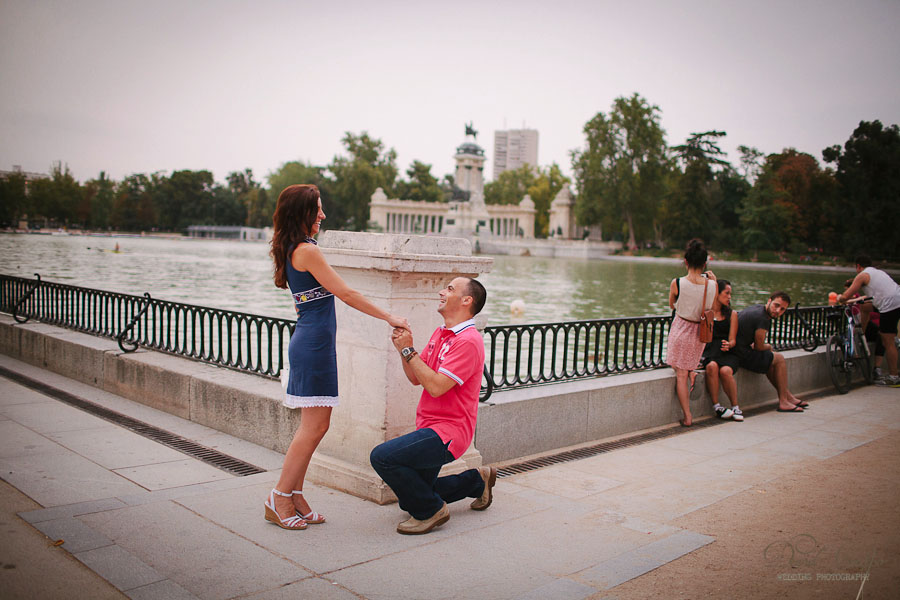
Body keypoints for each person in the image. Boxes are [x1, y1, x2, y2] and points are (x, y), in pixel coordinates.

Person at [264, 184, 410, 530]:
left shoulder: (298, 248)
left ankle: (295, 494)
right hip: (312, 345)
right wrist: (388, 316)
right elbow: (345, 292)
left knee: (318, 426)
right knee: (312, 428)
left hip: (313, 342)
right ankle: (279, 496)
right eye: (317, 209)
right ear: (303, 213)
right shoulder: (306, 251)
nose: (323, 215)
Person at [370, 276, 495, 535]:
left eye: (449, 289)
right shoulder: (441, 333)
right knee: (409, 499)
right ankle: (476, 481)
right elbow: (416, 377)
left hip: (450, 433)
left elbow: (437, 386)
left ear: (466, 300)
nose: (441, 291)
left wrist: (409, 351)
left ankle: (432, 512)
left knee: (382, 457)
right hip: (429, 425)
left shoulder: (468, 341)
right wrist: (404, 349)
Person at [666, 238, 717, 427]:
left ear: (685, 262)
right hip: (699, 333)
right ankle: (691, 372)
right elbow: (713, 307)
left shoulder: (677, 283)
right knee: (684, 367)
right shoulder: (712, 285)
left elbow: (672, 305)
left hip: (681, 328)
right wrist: (713, 282)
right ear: (705, 264)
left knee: (679, 372)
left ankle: (687, 416)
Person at [733, 291, 807, 412]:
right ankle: (784, 401)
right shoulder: (763, 319)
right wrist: (769, 346)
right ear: (769, 301)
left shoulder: (757, 308)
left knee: (770, 362)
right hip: (740, 353)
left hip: (737, 349)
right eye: (776, 305)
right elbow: (759, 347)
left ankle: (788, 397)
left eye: (782, 309)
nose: (778, 311)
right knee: (779, 358)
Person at [837, 255, 900, 386]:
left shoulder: (862, 275)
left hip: (890, 306)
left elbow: (846, 295)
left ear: (858, 266)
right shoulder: (877, 272)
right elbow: (868, 296)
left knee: (887, 340)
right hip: (895, 300)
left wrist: (840, 298)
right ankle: (862, 334)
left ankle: (894, 377)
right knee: (865, 306)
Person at [700, 279, 743, 421]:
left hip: (727, 352)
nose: (729, 297)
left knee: (725, 371)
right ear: (716, 294)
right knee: (711, 367)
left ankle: (735, 407)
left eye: (730, 294)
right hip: (710, 351)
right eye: (727, 293)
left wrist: (729, 345)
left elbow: (733, 340)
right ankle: (717, 406)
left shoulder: (733, 314)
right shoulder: (707, 312)